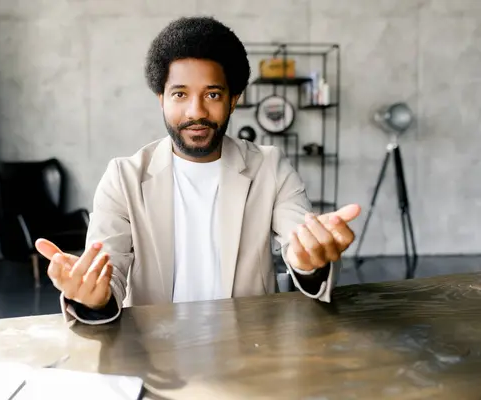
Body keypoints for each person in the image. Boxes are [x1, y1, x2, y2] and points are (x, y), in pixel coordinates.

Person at [35, 16, 361, 325]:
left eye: (213, 94)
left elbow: (298, 242)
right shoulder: (123, 178)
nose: (197, 111)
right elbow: (108, 272)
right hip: (154, 351)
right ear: (161, 99)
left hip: (251, 347)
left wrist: (308, 261)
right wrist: (92, 295)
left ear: (233, 100)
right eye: (180, 94)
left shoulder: (270, 167)